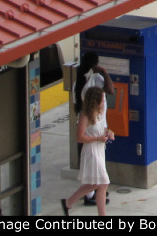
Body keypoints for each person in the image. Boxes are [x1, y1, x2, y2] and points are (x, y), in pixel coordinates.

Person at [62, 88, 113, 216]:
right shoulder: (85, 116)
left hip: (99, 150)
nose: (104, 101)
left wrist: (109, 132)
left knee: (98, 184)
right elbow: (79, 137)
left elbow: (102, 128)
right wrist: (97, 138)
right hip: (91, 151)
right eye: (102, 99)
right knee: (102, 182)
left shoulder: (99, 113)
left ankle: (68, 203)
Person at [73, 53, 114, 207]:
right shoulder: (96, 79)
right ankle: (84, 197)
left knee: (95, 175)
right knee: (97, 177)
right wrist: (103, 71)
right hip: (94, 133)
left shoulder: (78, 84)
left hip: (96, 130)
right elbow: (111, 90)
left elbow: (75, 106)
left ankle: (93, 194)